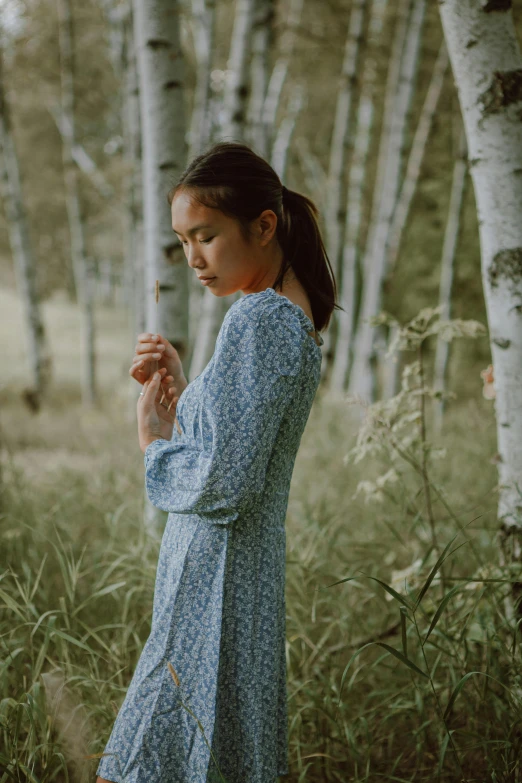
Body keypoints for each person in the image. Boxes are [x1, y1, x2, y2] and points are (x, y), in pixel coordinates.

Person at [95, 141, 339, 783]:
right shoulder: (290, 319)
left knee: (148, 755)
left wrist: (154, 442)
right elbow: (237, 446)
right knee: (216, 747)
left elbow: (226, 485)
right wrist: (186, 395)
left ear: (264, 225)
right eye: (182, 241)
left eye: (206, 236)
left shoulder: (257, 320)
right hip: (243, 573)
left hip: (216, 575)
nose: (193, 258)